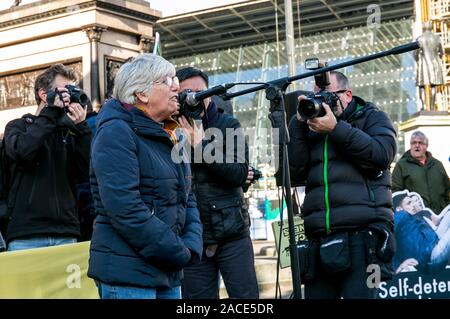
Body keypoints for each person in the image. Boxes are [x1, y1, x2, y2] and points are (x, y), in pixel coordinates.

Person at [87, 54, 202, 299]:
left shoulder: (172, 133)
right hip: (129, 275)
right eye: (166, 80)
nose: (176, 86)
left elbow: (187, 198)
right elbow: (125, 207)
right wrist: (177, 251)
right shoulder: (115, 131)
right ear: (141, 93)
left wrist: (190, 246)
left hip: (168, 270)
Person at [287, 71, 397, 299]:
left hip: (366, 239)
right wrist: (298, 125)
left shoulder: (373, 116)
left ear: (347, 95)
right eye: (315, 96)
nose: (320, 101)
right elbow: (294, 171)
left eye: (327, 95)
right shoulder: (311, 128)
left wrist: (335, 129)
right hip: (320, 238)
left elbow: (381, 156)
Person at [176, 67, 259, 299]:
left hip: (232, 233)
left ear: (209, 95)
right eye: (186, 93)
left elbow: (238, 174)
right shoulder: (171, 128)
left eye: (199, 92)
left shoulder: (229, 125)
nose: (194, 98)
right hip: (193, 237)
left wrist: (201, 146)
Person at [2, 64, 91, 251]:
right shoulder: (18, 127)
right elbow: (24, 151)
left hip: (66, 233)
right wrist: (50, 113)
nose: (68, 97)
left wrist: (82, 129)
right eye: (64, 91)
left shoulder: (69, 132)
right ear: (44, 94)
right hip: (26, 234)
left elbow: (87, 173)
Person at [392, 131, 449, 214]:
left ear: (426, 146)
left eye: (420, 143)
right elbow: (396, 193)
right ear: (410, 145)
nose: (417, 145)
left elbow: (447, 190)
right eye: (414, 143)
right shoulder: (401, 165)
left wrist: (446, 210)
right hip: (417, 219)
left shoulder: (437, 165)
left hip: (440, 218)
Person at [392, 191, 450, 274]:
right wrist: (398, 266)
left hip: (433, 246)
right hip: (431, 259)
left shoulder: (412, 219)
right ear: (399, 209)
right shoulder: (399, 216)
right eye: (409, 203)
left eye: (412, 202)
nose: (413, 205)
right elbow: (387, 240)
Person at [414, 21, 444, 111]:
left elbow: (415, 53)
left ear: (423, 27)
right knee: (434, 85)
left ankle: (423, 107)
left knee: (422, 86)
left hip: (423, 64)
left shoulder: (420, 38)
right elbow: (441, 52)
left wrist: (418, 61)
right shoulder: (437, 38)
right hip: (435, 63)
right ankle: (431, 107)